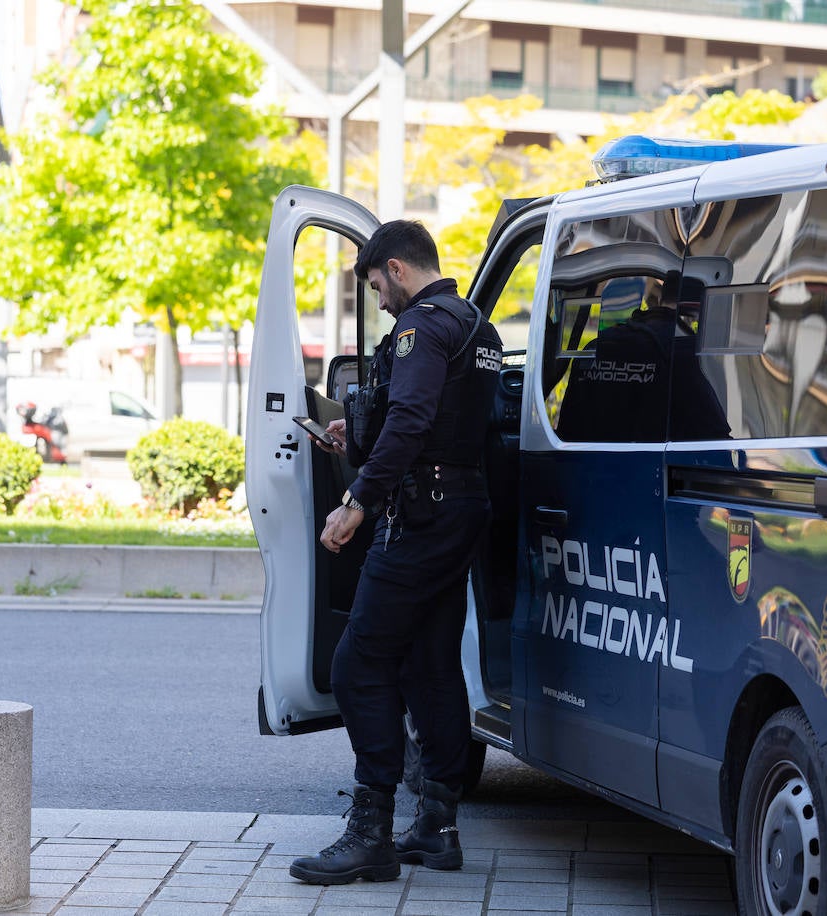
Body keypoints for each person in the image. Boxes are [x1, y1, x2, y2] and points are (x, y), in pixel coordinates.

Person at [290, 220, 503, 885]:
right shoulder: (478, 327)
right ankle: (437, 826)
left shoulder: (419, 329)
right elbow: (439, 421)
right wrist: (351, 431)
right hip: (462, 506)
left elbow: (413, 423)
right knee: (430, 664)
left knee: (358, 663)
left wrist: (356, 499)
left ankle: (371, 832)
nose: (380, 298)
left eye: (378, 283)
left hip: (419, 514)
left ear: (399, 269)